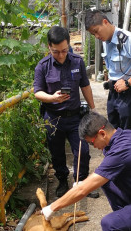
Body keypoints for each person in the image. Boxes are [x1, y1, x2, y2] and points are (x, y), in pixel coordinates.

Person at [34, 26, 99, 198]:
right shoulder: (43, 67)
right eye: (56, 52)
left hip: (75, 117)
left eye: (64, 50)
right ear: (49, 47)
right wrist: (51, 98)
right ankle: (62, 180)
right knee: (57, 153)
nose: (61, 55)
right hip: (53, 118)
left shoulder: (77, 62)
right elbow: (37, 92)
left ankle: (82, 182)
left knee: (83, 151)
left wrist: (93, 110)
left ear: (68, 45)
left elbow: (85, 85)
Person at [85, 9, 131, 130]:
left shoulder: (127, 39)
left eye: (96, 32)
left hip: (128, 93)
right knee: (112, 130)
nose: (97, 36)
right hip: (114, 92)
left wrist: (128, 83)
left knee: (126, 133)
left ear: (105, 22)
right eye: (93, 34)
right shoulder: (106, 41)